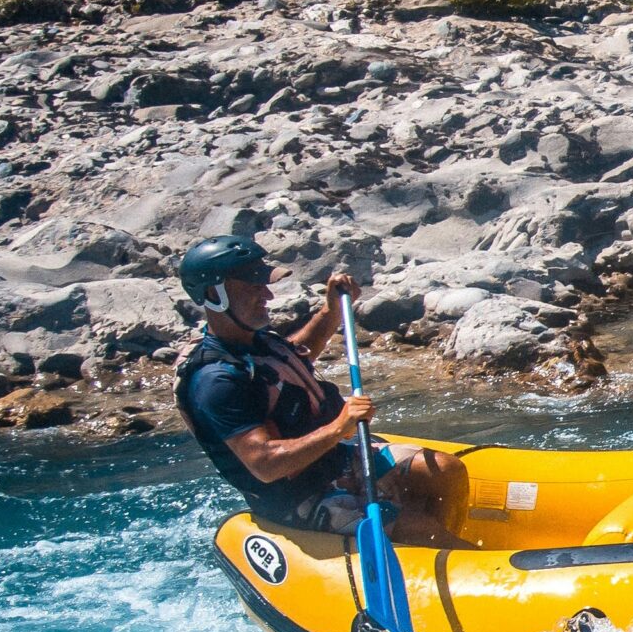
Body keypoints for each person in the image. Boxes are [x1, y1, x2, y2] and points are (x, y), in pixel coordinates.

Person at [173, 234, 468, 545]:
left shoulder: (252, 342)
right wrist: (340, 427)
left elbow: (292, 360)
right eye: (253, 287)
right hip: (296, 497)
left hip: (332, 460)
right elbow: (265, 464)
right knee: (420, 530)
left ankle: (432, 550)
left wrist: (331, 312)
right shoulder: (215, 381)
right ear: (213, 294)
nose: (268, 295)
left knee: (445, 471)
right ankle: (425, 542)